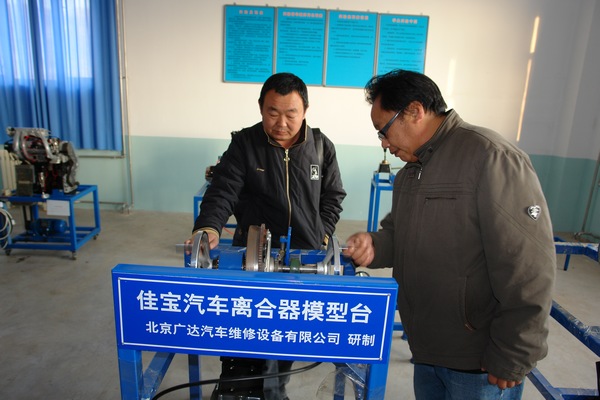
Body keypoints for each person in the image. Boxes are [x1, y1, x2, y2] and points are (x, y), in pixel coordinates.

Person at [343, 69, 556, 400]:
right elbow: (399, 233)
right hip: (427, 348)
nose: (384, 144)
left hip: (478, 359)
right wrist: (375, 244)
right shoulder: (411, 172)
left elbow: (527, 267)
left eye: (384, 131)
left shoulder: (491, 157)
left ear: (415, 111)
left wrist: (514, 353)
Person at [191, 72, 346, 400]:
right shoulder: (245, 144)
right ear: (261, 107)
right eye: (273, 112)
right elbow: (223, 190)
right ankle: (235, 387)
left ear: (305, 111)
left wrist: (322, 235)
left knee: (285, 333)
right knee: (245, 328)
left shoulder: (321, 147)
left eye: (291, 114)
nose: (281, 123)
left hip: (302, 259)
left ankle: (274, 390)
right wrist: (208, 227)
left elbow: (333, 196)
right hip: (252, 255)